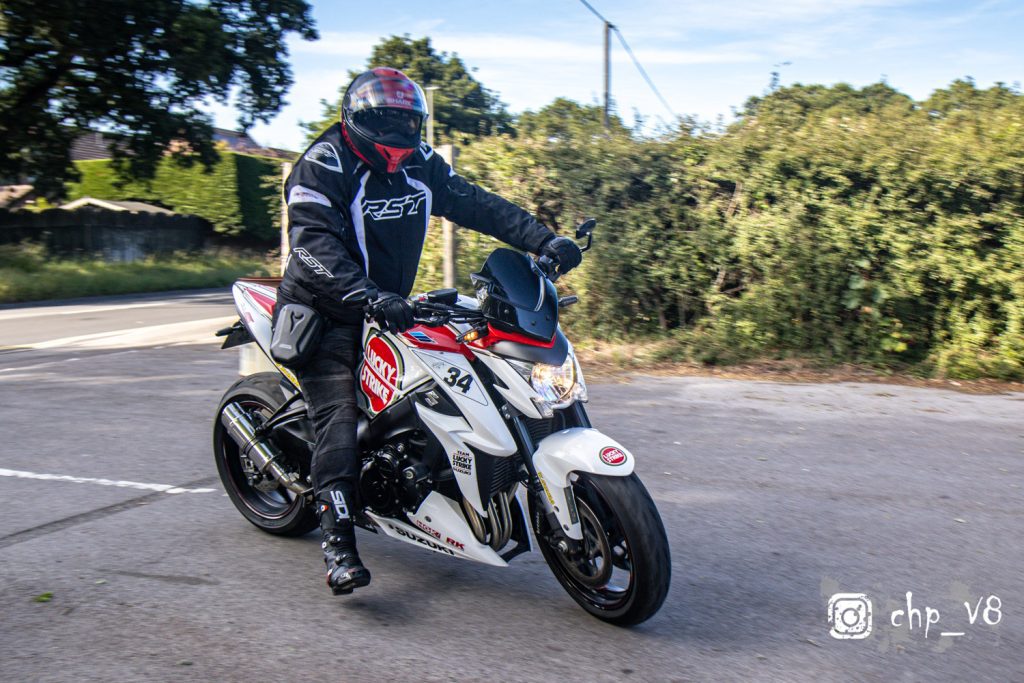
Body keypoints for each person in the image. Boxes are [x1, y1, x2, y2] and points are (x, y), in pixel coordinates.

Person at [276, 67, 582, 595]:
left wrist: (542, 239)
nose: (397, 136)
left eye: (406, 123)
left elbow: (475, 202)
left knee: (467, 372)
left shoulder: (418, 161)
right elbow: (311, 247)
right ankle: (339, 541)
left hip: (389, 303)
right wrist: (368, 296)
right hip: (327, 307)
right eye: (385, 122)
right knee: (337, 412)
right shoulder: (323, 165)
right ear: (356, 122)